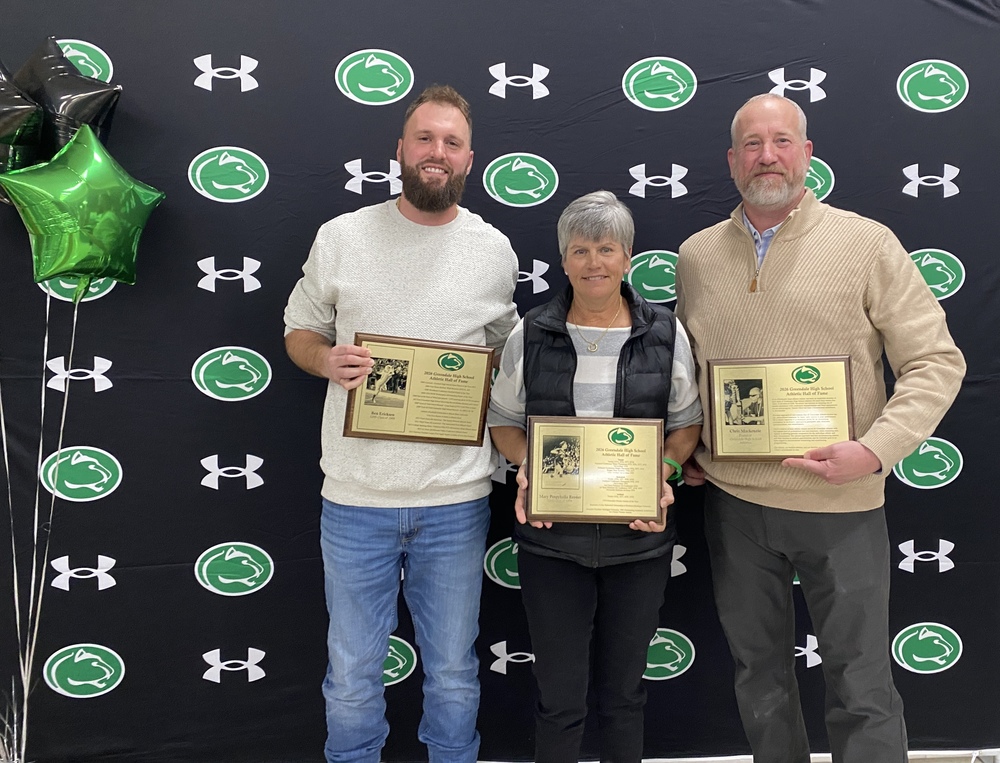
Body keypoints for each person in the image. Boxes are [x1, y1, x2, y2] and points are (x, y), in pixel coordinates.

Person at [675, 94, 965, 763]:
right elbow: (691, 371)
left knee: (861, 684)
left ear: (807, 154)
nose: (766, 155)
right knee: (760, 680)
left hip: (843, 504)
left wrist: (875, 449)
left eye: (782, 140)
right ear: (731, 160)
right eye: (751, 143)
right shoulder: (695, 256)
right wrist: (692, 444)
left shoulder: (866, 243)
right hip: (735, 505)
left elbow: (935, 361)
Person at [283, 85, 518, 763]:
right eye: (424, 139)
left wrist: (480, 372)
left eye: (450, 142)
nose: (435, 153)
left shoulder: (492, 249)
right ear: (400, 148)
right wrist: (326, 358)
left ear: (469, 158)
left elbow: (503, 354)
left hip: (456, 498)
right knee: (354, 675)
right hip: (357, 500)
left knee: (452, 671)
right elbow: (299, 329)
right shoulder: (343, 236)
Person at [489, 191, 702, 763]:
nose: (594, 263)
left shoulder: (666, 333)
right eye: (580, 250)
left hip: (640, 541)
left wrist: (662, 472)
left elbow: (686, 426)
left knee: (625, 696)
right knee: (560, 700)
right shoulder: (530, 332)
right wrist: (529, 465)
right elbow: (504, 423)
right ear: (563, 261)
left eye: (606, 248)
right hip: (552, 544)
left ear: (627, 256)